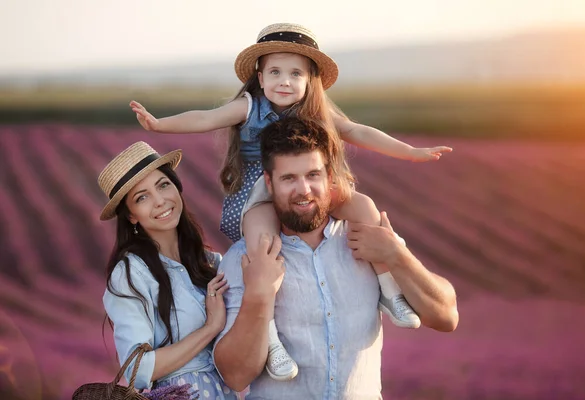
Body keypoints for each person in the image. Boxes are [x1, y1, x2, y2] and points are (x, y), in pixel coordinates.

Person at [129, 22, 453, 380]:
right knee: (262, 249)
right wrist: (159, 125)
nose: (285, 81)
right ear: (261, 76)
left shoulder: (316, 111)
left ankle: (389, 292)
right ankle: (271, 341)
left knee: (364, 207)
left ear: (310, 79)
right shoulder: (249, 106)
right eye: (275, 72)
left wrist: (409, 152)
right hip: (260, 192)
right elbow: (206, 118)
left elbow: (358, 132)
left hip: (303, 188)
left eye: (295, 73)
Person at [212, 117, 459, 399]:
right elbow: (234, 375)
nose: (303, 189)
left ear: (330, 177)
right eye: (289, 178)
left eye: (313, 175)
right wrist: (258, 295)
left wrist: (397, 255)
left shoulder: (369, 238)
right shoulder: (245, 259)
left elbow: (446, 316)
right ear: (269, 183)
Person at [98, 141, 238, 399]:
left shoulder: (209, 262)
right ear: (131, 215)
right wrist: (210, 327)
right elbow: (136, 370)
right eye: (142, 197)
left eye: (163, 185)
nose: (160, 201)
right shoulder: (131, 274)